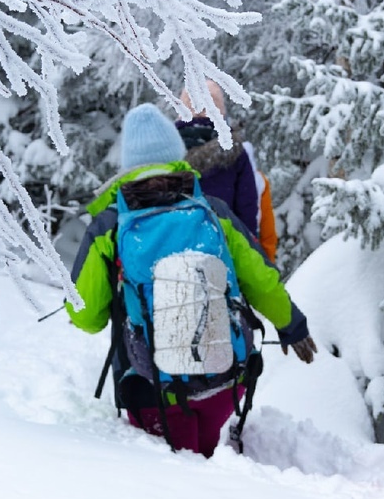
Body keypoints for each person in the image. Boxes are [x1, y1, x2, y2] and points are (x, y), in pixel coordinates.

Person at [66, 103, 316, 456]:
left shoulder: (109, 227)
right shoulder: (213, 211)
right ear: (177, 155)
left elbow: (85, 317)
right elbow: (262, 280)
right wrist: (293, 326)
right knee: (209, 460)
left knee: (177, 478)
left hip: (152, 390)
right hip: (226, 379)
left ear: (129, 165)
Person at [176, 81, 264, 251]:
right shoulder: (235, 152)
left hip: (176, 249)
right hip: (224, 247)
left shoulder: (168, 149)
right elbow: (247, 209)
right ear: (220, 112)